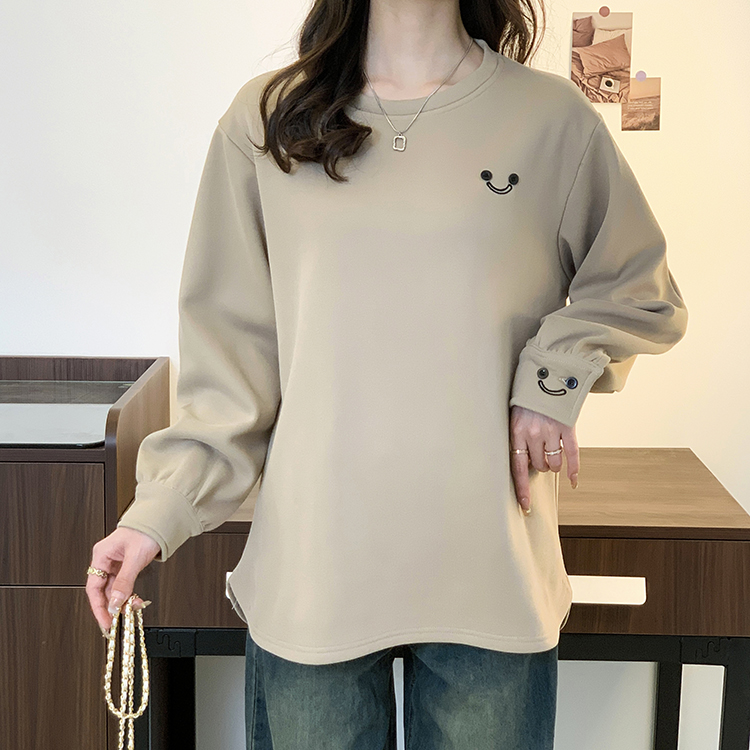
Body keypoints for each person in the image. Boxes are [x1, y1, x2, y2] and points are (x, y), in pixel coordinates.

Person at [86, 0, 689, 747]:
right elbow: (232, 363)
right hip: (315, 568)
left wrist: (552, 382)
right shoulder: (267, 121)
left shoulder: (550, 119)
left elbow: (637, 288)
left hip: (489, 563)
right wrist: (157, 513)